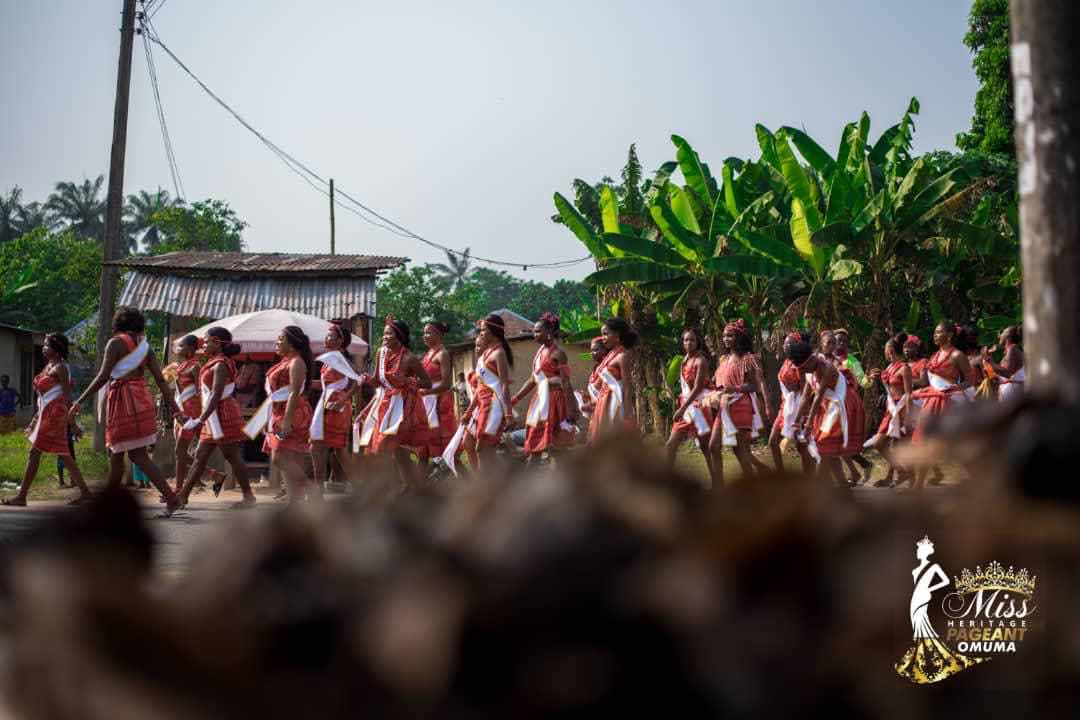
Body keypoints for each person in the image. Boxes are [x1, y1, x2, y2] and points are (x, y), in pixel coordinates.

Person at [68, 309, 182, 515]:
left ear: (118, 323)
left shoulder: (115, 343)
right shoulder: (145, 348)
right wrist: (176, 410)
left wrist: (79, 401)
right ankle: (108, 503)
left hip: (123, 402)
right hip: (142, 399)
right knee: (117, 455)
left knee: (136, 455)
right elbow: (160, 380)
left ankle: (171, 498)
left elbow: (103, 376)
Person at [3, 334, 92, 506]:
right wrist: (35, 419)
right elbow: (44, 398)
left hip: (54, 416)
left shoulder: (61, 368)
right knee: (63, 454)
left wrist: (72, 423)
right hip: (47, 414)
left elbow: (67, 397)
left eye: (46, 345)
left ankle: (21, 496)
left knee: (37, 452)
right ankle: (86, 492)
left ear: (56, 349)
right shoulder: (49, 366)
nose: (43, 348)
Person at [176, 327, 257, 508]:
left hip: (222, 415)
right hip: (213, 415)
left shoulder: (221, 364)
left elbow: (215, 394)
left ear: (216, 342)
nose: (202, 345)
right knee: (200, 456)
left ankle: (249, 497)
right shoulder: (215, 362)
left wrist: (201, 418)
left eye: (206, 342)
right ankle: (182, 497)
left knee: (231, 456)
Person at [895, 536, 986, 683]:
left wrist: (928, 589)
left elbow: (944, 581)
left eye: (921, 550)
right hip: (915, 600)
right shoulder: (918, 567)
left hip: (924, 598)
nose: (919, 552)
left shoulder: (934, 567)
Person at [355, 317, 431, 483]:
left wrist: (408, 381)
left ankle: (397, 486)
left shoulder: (409, 358)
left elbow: (427, 383)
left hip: (401, 408)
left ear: (399, 336)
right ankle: (411, 485)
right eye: (384, 334)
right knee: (395, 450)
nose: (384, 337)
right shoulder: (381, 353)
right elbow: (377, 381)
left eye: (388, 334)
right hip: (384, 405)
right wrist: (367, 379)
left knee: (388, 447)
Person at [245, 325, 316, 504]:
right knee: (286, 457)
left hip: (292, 415)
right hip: (279, 414)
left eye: (280, 339)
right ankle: (295, 502)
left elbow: (294, 392)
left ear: (291, 344)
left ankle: (311, 488)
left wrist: (287, 420)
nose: (277, 342)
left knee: (279, 457)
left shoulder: (296, 362)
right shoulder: (286, 361)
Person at [908, 321, 976, 491]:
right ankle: (918, 486)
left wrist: (954, 388)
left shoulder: (957, 355)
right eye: (935, 332)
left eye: (939, 332)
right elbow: (931, 382)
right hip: (932, 401)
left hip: (947, 402)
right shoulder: (934, 355)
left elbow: (970, 380)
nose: (935, 335)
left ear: (950, 335)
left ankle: (979, 478)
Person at [705, 319, 770, 484]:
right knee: (713, 446)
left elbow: (755, 385)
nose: (726, 339)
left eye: (730, 335)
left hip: (740, 405)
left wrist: (734, 389)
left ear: (739, 337)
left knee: (740, 450)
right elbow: (716, 382)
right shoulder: (723, 360)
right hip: (724, 406)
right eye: (724, 336)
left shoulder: (748, 358)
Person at [786, 340, 858, 488]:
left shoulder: (826, 368)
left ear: (810, 360)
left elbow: (817, 398)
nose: (802, 371)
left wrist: (808, 425)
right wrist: (796, 421)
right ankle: (844, 486)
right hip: (828, 408)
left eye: (804, 367)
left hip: (841, 406)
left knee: (824, 447)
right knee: (827, 449)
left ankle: (816, 490)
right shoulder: (809, 370)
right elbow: (805, 397)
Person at [510, 313, 579, 464]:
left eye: (538, 331)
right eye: (534, 331)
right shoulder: (540, 352)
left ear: (550, 332)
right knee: (545, 445)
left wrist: (572, 408)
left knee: (553, 445)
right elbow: (532, 380)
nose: (535, 334)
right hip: (541, 401)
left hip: (554, 401)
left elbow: (566, 382)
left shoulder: (558, 354)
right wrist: (514, 399)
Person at [310, 319, 364, 490]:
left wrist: (343, 399)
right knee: (336, 450)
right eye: (326, 336)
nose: (326, 339)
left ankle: (319, 490)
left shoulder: (340, 359)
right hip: (328, 404)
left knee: (320, 447)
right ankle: (360, 487)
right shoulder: (331, 359)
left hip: (337, 407)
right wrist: (302, 384)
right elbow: (326, 385)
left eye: (330, 336)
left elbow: (359, 380)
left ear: (340, 341)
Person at [457, 314, 514, 473]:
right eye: (480, 330)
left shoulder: (499, 353)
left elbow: (504, 385)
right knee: (473, 445)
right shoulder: (485, 354)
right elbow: (481, 387)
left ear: (493, 332)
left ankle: (489, 482)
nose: (481, 333)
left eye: (483, 330)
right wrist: (469, 411)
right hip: (482, 405)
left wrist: (508, 413)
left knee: (482, 449)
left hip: (494, 405)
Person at [864, 334, 914, 487]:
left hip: (901, 409)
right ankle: (901, 473)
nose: (884, 352)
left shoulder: (904, 368)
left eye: (885, 350)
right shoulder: (889, 368)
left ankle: (905, 476)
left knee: (891, 445)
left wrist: (908, 416)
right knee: (883, 444)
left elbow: (909, 394)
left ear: (890, 350)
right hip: (890, 410)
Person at [665, 327, 714, 477]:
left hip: (698, 408)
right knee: (670, 445)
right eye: (686, 340)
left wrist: (682, 409)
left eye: (692, 340)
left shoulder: (701, 360)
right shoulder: (684, 359)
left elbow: (698, 387)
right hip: (686, 407)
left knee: (706, 447)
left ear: (697, 341)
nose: (689, 343)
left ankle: (716, 479)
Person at [827, 330, 872, 484]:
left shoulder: (852, 361)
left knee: (840, 441)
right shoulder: (827, 359)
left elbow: (863, 382)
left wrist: (869, 379)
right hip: (832, 404)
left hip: (848, 405)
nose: (841, 343)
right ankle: (860, 468)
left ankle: (858, 470)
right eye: (838, 340)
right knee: (836, 442)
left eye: (844, 341)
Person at [414, 321, 458, 474]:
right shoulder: (427, 355)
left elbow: (446, 383)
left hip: (439, 404)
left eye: (428, 332)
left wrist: (427, 393)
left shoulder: (442, 354)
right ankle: (417, 484)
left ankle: (470, 482)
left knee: (445, 450)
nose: (424, 336)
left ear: (439, 334)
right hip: (427, 404)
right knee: (423, 451)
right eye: (424, 333)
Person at [768, 331, 814, 474]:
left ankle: (811, 477)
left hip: (798, 408)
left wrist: (795, 388)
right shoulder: (787, 361)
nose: (785, 346)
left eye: (789, 344)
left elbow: (806, 389)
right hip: (785, 407)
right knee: (773, 442)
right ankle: (781, 474)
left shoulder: (800, 365)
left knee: (802, 446)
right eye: (785, 343)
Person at [586, 318, 637, 445]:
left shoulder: (622, 356)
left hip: (614, 402)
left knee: (611, 443)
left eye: (606, 334)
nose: (603, 338)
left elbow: (627, 386)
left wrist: (627, 412)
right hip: (603, 402)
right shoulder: (610, 355)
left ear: (617, 335)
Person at [171, 335, 202, 493]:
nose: (178, 349)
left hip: (192, 412)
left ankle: (178, 489)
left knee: (180, 451)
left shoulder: (195, 366)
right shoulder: (180, 366)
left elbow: (201, 391)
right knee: (180, 451)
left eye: (181, 346)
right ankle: (214, 474)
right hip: (182, 410)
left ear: (190, 349)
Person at [982, 325, 1025, 402]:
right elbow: (998, 377)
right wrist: (987, 364)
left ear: (1007, 336)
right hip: (1010, 393)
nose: (999, 336)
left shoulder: (1012, 349)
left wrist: (989, 361)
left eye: (1001, 333)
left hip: (1013, 395)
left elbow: (1008, 373)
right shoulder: (1010, 350)